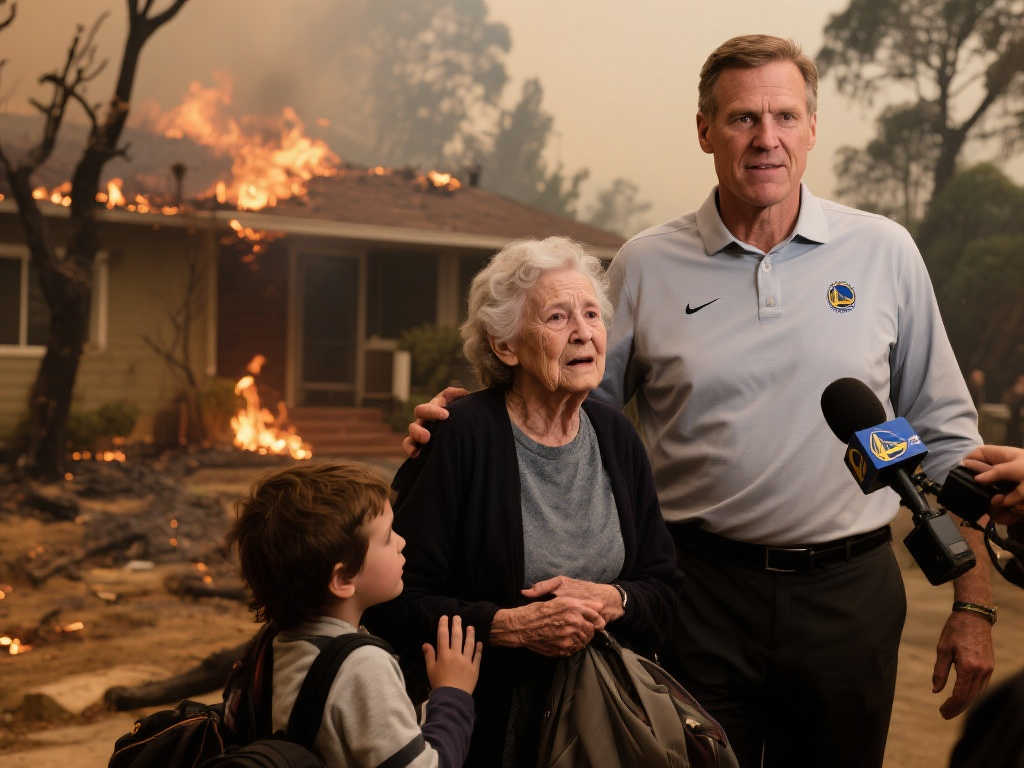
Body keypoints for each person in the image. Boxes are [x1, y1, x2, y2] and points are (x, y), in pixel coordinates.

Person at [405, 36, 994, 768]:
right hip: (698, 594)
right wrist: (468, 421)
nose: (766, 139)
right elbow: (568, 403)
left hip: (851, 596)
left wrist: (971, 602)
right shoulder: (647, 264)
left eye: (785, 116)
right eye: (744, 118)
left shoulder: (884, 252)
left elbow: (944, 439)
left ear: (812, 128)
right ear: (705, 131)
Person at [371, 237, 682, 767]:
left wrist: (613, 601)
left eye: (591, 314)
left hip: (605, 725)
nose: (583, 332)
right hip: (486, 730)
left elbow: (665, 588)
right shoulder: (460, 436)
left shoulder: (616, 436)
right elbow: (394, 602)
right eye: (557, 317)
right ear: (505, 346)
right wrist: (510, 627)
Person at [226, 462, 481, 768]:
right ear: (343, 579)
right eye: (387, 537)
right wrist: (452, 694)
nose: (402, 542)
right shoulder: (363, 667)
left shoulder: (270, 644)